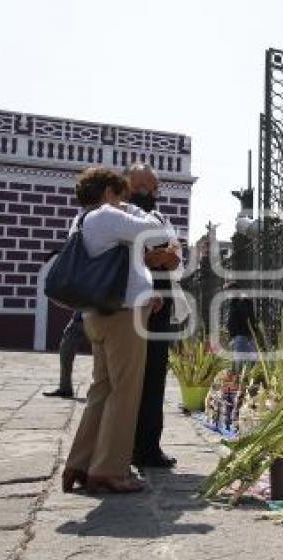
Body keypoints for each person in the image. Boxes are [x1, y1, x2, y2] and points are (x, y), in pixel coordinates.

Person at [62, 167, 172, 493]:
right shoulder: (107, 215)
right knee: (125, 392)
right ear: (109, 193)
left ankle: (80, 464)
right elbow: (155, 231)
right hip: (122, 317)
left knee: (101, 390)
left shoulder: (82, 220)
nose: (127, 198)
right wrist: (135, 210)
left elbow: (120, 265)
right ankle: (110, 469)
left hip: (98, 314)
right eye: (123, 192)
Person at [125, 163, 184, 469]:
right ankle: (120, 446)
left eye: (153, 188)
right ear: (127, 186)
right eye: (142, 187)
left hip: (160, 313)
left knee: (154, 379)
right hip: (128, 308)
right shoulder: (117, 215)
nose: (149, 194)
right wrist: (148, 256)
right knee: (124, 381)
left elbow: (175, 252)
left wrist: (168, 253)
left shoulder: (159, 218)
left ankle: (148, 446)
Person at [43, 310, 85, 398]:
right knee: (65, 351)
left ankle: (108, 391)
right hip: (79, 319)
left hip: (99, 317)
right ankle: (65, 388)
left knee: (104, 356)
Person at [225, 281, 258, 374]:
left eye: (229, 290)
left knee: (240, 362)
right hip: (238, 336)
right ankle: (240, 379)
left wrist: (250, 334)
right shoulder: (235, 302)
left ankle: (242, 380)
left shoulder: (243, 301)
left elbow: (248, 317)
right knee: (241, 361)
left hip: (242, 335)